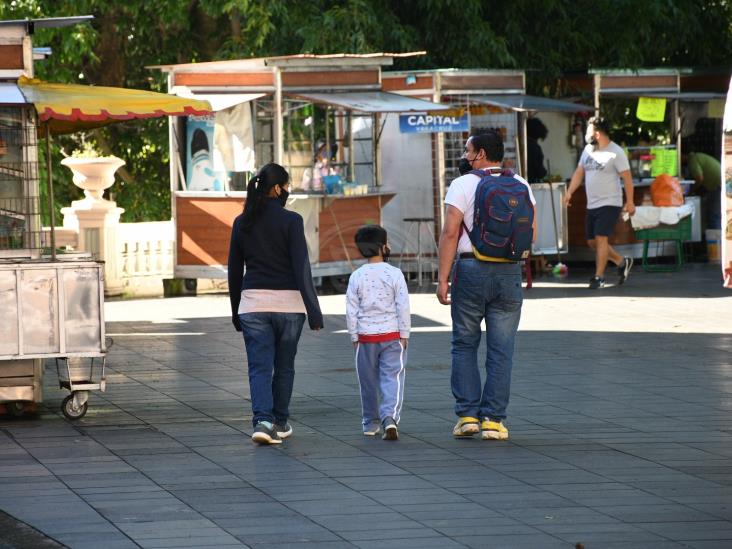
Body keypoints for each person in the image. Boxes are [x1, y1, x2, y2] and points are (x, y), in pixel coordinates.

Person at [436, 131, 537, 441]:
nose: (464, 157)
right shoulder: (520, 185)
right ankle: (493, 419)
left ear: (479, 154)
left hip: (470, 269)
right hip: (508, 272)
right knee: (501, 349)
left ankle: (467, 416)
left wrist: (443, 278)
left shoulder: (462, 184)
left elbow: (450, 232)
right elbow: (530, 232)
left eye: (467, 151)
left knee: (464, 343)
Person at [228, 163, 324, 445]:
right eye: (287, 185)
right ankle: (280, 421)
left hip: (253, 305)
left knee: (259, 367)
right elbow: (301, 267)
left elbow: (235, 270)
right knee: (284, 366)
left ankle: (263, 421)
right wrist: (314, 312)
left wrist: (235, 310)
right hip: (290, 307)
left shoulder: (241, 222)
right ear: (278, 188)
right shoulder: (292, 221)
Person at [346, 225, 410, 440]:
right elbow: (402, 305)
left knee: (367, 380)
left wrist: (354, 336)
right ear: (383, 247)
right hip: (392, 336)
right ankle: (389, 418)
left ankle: (370, 422)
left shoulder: (356, 276)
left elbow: (351, 310)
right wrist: (405, 334)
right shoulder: (395, 274)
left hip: (365, 338)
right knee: (392, 377)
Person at [565, 116, 636, 289]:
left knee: (601, 239)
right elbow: (579, 173)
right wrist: (569, 192)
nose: (586, 134)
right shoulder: (588, 150)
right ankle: (621, 262)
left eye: (588, 130)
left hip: (610, 202)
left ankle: (599, 277)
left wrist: (630, 202)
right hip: (592, 204)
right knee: (592, 243)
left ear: (596, 133)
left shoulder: (616, 152)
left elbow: (627, 178)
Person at [686, 150, 722, 229]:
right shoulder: (698, 156)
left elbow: (699, 178)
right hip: (720, 185)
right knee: (715, 215)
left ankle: (716, 240)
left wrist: (691, 191)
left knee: (714, 216)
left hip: (719, 186)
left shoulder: (693, 160)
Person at [526, 117, 548, 183]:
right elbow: (539, 171)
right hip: (532, 183)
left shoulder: (523, 145)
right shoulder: (535, 147)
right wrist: (545, 173)